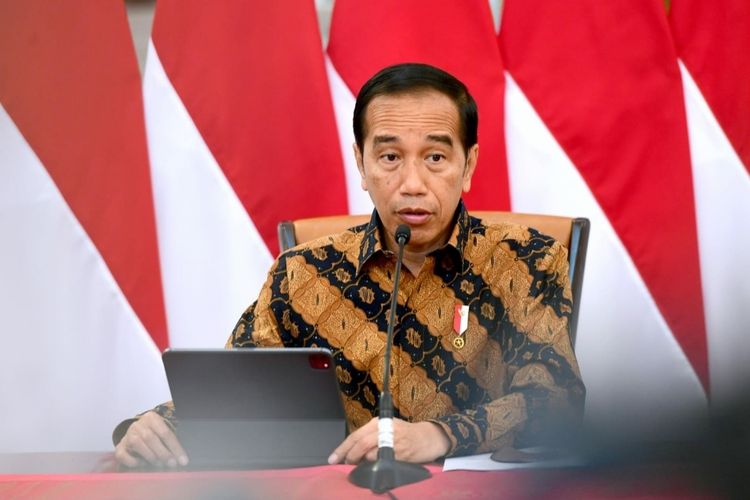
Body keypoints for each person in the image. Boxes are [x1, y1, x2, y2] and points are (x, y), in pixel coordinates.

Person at [113, 62, 585, 469]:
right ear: (361, 163)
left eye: (436, 157)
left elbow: (555, 400)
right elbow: (240, 390)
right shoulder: (302, 272)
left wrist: (439, 435)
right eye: (390, 157)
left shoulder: (527, 261)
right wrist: (156, 425)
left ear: (468, 165)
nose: (412, 183)